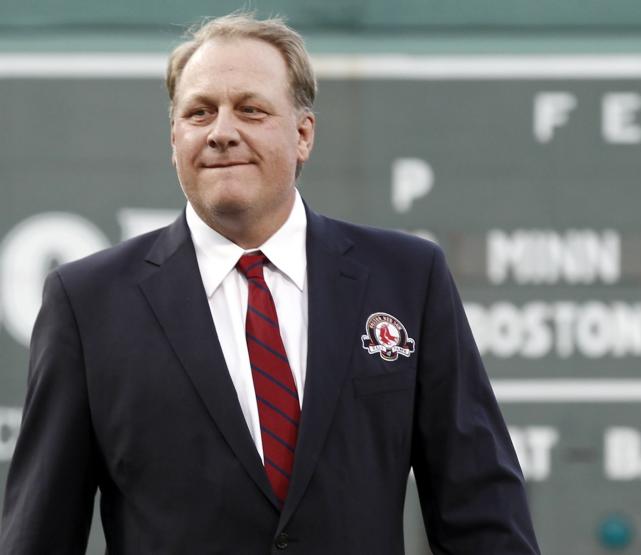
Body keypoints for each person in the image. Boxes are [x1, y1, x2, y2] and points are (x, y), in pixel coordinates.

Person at [0, 13, 539, 554]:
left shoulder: (405, 278)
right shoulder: (88, 303)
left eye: (251, 110)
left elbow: (481, 510)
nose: (222, 132)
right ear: (174, 139)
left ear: (303, 134)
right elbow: (41, 530)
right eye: (199, 112)